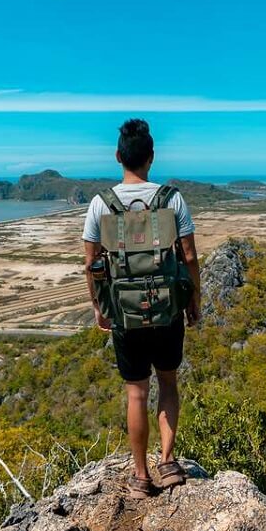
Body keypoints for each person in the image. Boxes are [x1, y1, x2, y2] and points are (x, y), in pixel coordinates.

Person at [82, 118, 201, 499]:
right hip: (166, 311)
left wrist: (100, 308)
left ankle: (140, 476)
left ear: (118, 156)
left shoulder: (101, 204)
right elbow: (190, 256)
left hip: (125, 315)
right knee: (167, 383)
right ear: (151, 156)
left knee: (136, 393)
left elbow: (93, 264)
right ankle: (167, 462)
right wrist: (194, 301)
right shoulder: (173, 199)